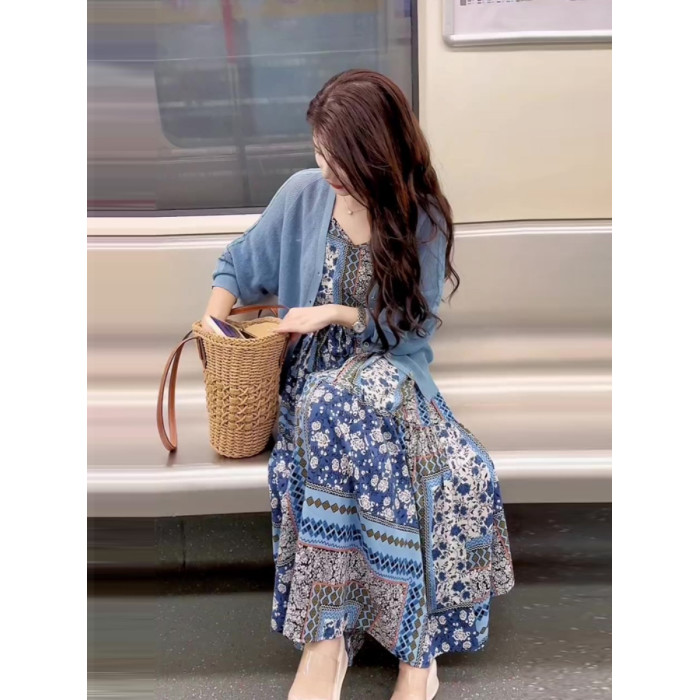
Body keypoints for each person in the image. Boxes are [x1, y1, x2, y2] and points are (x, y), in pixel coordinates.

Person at [201, 69, 515, 700]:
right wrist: (213, 331)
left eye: (338, 158)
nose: (326, 170)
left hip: (390, 379)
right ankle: (395, 652)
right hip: (311, 391)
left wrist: (337, 313)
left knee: (356, 416)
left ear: (375, 154)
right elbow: (237, 262)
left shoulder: (422, 217)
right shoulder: (303, 194)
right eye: (319, 153)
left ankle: (341, 647)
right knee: (324, 402)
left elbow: (410, 331)